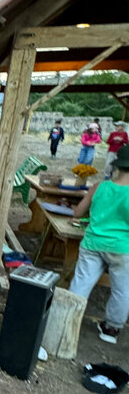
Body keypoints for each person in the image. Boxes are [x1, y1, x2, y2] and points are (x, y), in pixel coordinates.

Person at [69, 144, 129, 344]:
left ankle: (68, 320)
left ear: (117, 166)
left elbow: (77, 213)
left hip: (93, 242)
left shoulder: (98, 187)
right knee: (122, 289)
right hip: (122, 247)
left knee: (82, 281)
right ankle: (111, 329)